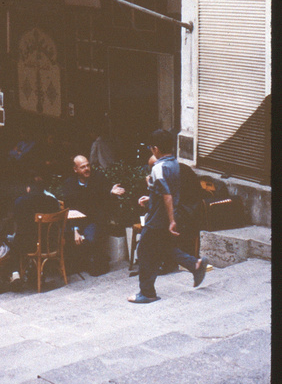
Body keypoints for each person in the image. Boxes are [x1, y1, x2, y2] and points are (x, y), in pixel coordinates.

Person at [128, 129, 208, 304]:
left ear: (156, 149)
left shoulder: (158, 167)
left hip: (157, 219)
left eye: (151, 148)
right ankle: (195, 265)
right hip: (166, 214)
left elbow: (167, 195)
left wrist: (171, 221)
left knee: (144, 252)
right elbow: (166, 193)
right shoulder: (175, 165)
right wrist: (151, 199)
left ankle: (147, 292)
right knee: (164, 247)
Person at [63, 154, 124, 276]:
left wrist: (111, 192)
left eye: (88, 165)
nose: (87, 169)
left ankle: (95, 261)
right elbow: (70, 209)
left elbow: (104, 194)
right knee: (66, 238)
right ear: (75, 169)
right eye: (82, 167)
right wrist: (75, 230)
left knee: (89, 239)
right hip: (76, 221)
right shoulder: (70, 184)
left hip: (94, 220)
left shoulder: (98, 178)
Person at [8, 175, 61, 291]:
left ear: (28, 188)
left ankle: (15, 273)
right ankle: (35, 273)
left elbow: (16, 220)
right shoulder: (52, 201)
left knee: (11, 241)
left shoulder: (20, 202)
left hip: (27, 245)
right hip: (49, 244)